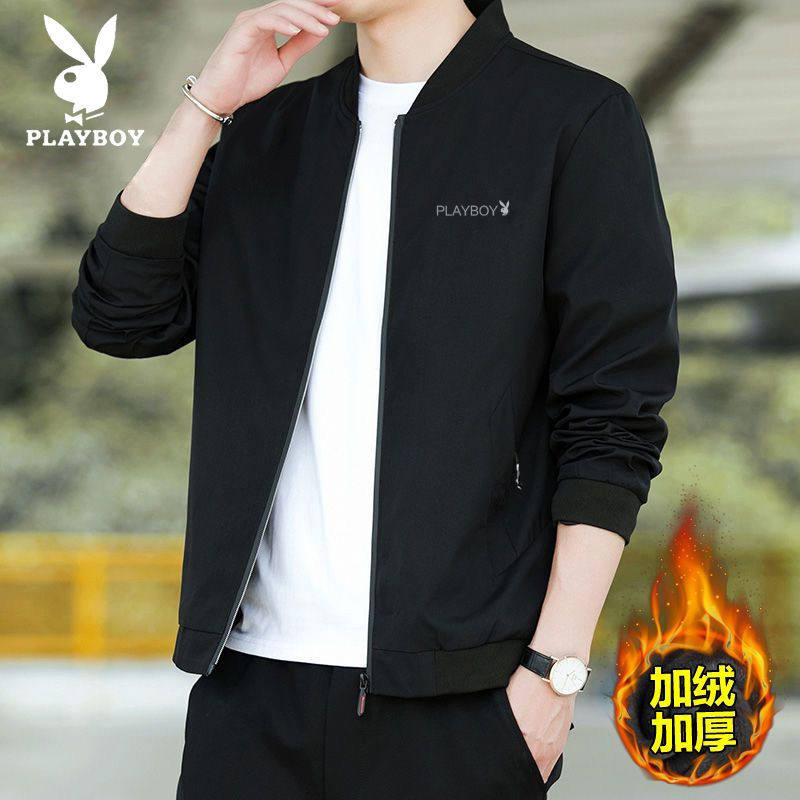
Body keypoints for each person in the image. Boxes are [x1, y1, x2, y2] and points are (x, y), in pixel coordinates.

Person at [71, 0, 679, 797]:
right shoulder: (268, 128)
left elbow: (613, 415)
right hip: (251, 689)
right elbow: (120, 317)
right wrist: (205, 108)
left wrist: (554, 673)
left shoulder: (572, 118)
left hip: (461, 697)